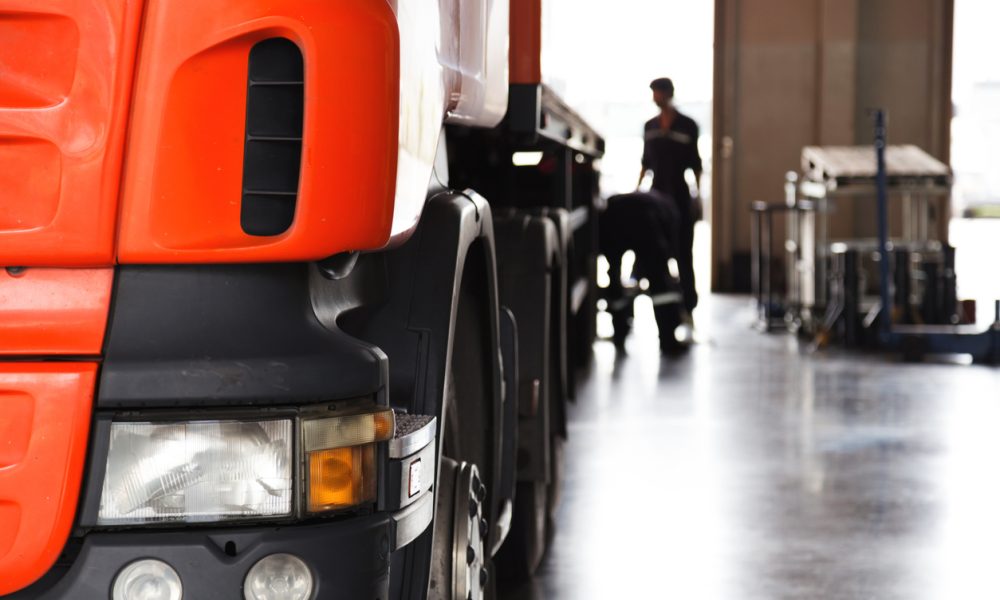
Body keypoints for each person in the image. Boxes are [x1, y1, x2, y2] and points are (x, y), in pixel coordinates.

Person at [639, 77, 702, 315]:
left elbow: (695, 165)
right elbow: (645, 164)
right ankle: (665, 306)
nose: (655, 97)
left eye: (658, 92)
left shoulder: (688, 125)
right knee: (657, 251)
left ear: (668, 93)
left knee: (684, 252)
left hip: (679, 196)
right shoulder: (650, 127)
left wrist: (697, 198)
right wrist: (638, 193)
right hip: (656, 197)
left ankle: (689, 305)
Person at [600, 190, 686, 354]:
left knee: (614, 275)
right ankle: (668, 339)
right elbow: (668, 254)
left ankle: (619, 332)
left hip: (614, 218)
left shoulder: (657, 202)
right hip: (646, 221)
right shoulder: (671, 213)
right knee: (659, 281)